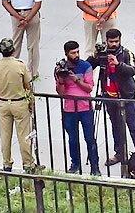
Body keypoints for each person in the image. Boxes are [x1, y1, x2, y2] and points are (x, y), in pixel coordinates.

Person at [87, 28, 135, 168]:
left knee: (133, 127)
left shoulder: (126, 53)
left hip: (126, 96)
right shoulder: (103, 53)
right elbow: (88, 66)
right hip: (109, 97)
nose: (114, 44)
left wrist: (118, 64)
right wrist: (94, 57)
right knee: (116, 126)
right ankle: (119, 153)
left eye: (116, 41)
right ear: (106, 41)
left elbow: (133, 70)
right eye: (111, 42)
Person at [0, 38, 35, 173]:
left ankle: (7, 163)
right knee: (24, 136)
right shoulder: (20, 65)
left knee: (5, 135)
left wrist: (0, 102)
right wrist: (30, 102)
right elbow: (27, 86)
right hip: (19, 102)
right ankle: (28, 164)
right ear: (13, 50)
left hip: (3, 102)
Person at [55, 40, 100, 175]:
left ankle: (95, 167)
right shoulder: (61, 68)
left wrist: (76, 80)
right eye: (73, 53)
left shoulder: (85, 66)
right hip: (69, 109)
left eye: (77, 52)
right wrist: (61, 78)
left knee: (90, 138)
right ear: (66, 54)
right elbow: (61, 93)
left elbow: (89, 88)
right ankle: (75, 164)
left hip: (85, 107)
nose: (76, 55)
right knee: (73, 139)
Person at [1, 0, 44, 82]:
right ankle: (33, 71)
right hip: (32, 13)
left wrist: (18, 16)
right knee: (33, 45)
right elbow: (38, 4)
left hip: (16, 15)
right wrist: (27, 18)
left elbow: (5, 2)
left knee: (15, 43)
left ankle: (12, 69)